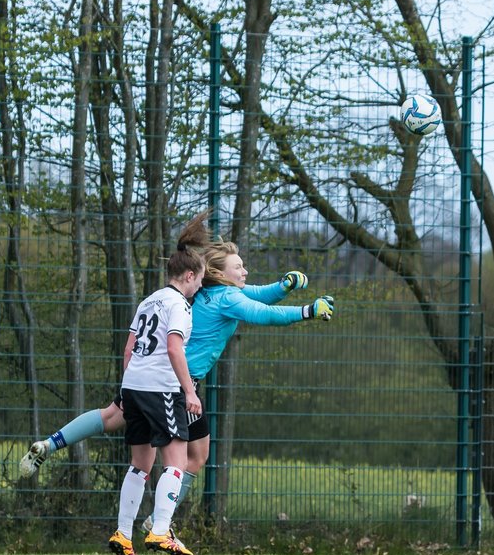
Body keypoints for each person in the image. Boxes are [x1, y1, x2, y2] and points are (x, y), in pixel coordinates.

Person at [20, 212, 334, 532]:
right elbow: (262, 313)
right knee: (194, 457)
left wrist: (284, 286)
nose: (245, 271)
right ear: (217, 272)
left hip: (145, 374)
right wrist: (308, 311)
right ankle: (158, 523)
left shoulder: (210, 292)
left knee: (112, 416)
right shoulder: (227, 298)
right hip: (179, 384)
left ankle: (50, 443)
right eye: (239, 267)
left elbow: (258, 295)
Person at [108, 242, 205, 555]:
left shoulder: (148, 301)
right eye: (200, 280)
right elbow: (174, 348)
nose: (200, 286)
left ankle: (123, 535)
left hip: (133, 385)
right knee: (176, 461)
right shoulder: (178, 304)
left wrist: (127, 387)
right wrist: (188, 391)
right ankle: (161, 529)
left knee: (140, 465)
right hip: (160, 388)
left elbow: (128, 349)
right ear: (189, 276)